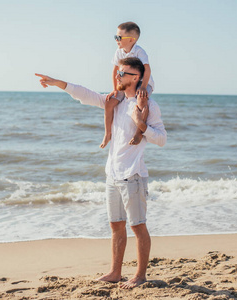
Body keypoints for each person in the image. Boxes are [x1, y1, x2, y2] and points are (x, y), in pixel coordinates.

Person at [35, 57, 166, 289]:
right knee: (116, 225)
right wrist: (59, 83)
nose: (118, 76)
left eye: (123, 74)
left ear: (136, 77)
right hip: (112, 175)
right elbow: (86, 95)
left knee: (138, 226)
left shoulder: (148, 106)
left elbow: (162, 139)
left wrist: (141, 125)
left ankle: (140, 275)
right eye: (118, 72)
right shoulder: (114, 101)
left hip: (133, 175)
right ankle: (116, 272)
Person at [100, 21, 155, 149]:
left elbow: (147, 70)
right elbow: (115, 71)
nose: (116, 40)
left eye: (119, 38)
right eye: (115, 37)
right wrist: (115, 89)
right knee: (109, 103)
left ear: (131, 40)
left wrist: (142, 87)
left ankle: (138, 133)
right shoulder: (118, 52)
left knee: (141, 100)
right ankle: (108, 133)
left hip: (143, 82)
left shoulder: (139, 52)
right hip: (125, 81)